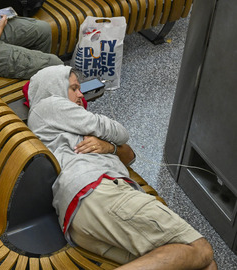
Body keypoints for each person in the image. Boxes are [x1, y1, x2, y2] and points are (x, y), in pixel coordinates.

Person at [27, 66, 217, 269]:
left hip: (83, 216)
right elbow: (121, 132)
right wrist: (109, 138)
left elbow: (128, 155)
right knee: (200, 248)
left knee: (200, 264)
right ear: (53, 87)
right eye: (73, 88)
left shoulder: (64, 125)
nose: (80, 94)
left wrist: (108, 146)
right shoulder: (49, 105)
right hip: (99, 192)